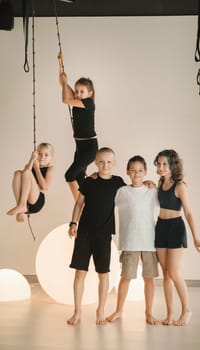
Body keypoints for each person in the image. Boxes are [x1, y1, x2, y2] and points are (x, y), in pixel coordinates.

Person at [67, 147, 125, 326]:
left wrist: (148, 183)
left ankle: (100, 310)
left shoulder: (118, 182)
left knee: (103, 274)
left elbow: (133, 193)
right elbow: (79, 204)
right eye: (101, 161)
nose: (104, 165)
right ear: (95, 163)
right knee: (79, 274)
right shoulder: (88, 181)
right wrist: (73, 223)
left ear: (113, 163)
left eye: (108, 162)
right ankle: (77, 311)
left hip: (104, 235)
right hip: (84, 233)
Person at [153, 149, 200, 326]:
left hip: (176, 228)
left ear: (172, 165)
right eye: (159, 164)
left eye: (165, 164)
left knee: (174, 272)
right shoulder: (160, 182)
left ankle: (186, 310)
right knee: (165, 274)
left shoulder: (180, 185)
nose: (161, 167)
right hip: (160, 227)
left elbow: (189, 212)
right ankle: (169, 314)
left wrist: (196, 237)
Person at [106, 155, 160, 325]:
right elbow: (103, 198)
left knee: (149, 279)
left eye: (140, 170)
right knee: (126, 278)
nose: (137, 173)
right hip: (130, 242)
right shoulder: (121, 192)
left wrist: (157, 184)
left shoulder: (152, 191)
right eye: (133, 170)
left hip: (149, 242)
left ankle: (149, 312)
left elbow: (167, 196)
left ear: (145, 172)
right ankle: (118, 311)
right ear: (127, 172)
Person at [58, 53, 98, 202]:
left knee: (70, 175)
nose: (78, 94)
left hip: (89, 147)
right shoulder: (77, 99)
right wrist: (60, 63)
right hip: (80, 146)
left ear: (90, 93)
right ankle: (90, 200)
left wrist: (64, 84)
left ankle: (79, 205)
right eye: (77, 91)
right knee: (80, 177)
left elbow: (65, 99)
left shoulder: (88, 103)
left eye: (82, 91)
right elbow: (64, 86)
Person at [6, 143, 54, 222]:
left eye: (46, 155)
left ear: (51, 157)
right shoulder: (31, 164)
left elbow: (44, 187)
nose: (42, 157)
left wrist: (37, 168)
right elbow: (25, 172)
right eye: (39, 154)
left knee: (27, 172)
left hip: (36, 201)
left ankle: (22, 205)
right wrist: (32, 160)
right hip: (25, 199)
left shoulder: (50, 169)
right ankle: (20, 207)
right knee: (18, 173)